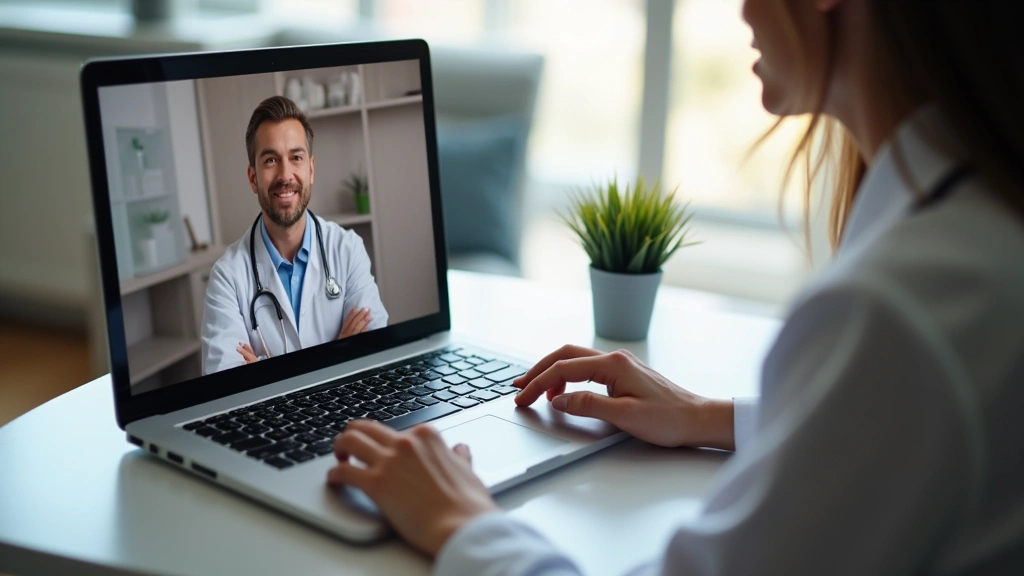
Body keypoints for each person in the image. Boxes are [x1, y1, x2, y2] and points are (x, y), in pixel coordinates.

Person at [327, 1, 1024, 574]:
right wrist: (708, 416)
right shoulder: (977, 231)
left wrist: (458, 519)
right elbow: (893, 426)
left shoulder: (897, 309)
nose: (742, 11)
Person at [201, 96, 387, 375]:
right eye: (271, 160)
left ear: (310, 169)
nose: (285, 174)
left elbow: (375, 352)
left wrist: (264, 369)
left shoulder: (348, 249)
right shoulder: (227, 277)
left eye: (296, 158)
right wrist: (336, 353)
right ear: (253, 178)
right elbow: (225, 383)